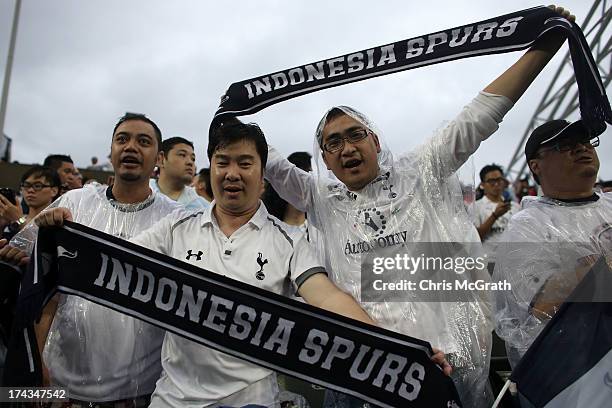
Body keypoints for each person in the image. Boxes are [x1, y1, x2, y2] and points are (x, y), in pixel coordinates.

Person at [263, 7, 575, 407]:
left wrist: (544, 48)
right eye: (333, 142)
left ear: (376, 142)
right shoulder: (319, 198)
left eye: (356, 134)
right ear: (323, 159)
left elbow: (480, 115)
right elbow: (265, 161)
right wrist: (230, 116)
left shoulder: (420, 170)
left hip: (444, 364)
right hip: (361, 369)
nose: (347, 148)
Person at [34, 121, 450, 407]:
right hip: (173, 398)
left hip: (253, 398)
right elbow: (111, 262)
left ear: (262, 176)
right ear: (210, 168)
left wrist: (401, 350)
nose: (233, 174)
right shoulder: (176, 229)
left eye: (245, 163)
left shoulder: (291, 240)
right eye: (223, 162)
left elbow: (326, 297)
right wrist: (59, 233)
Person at [2, 112, 181, 406]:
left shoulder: (177, 219)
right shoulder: (73, 204)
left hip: (141, 390)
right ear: (111, 151)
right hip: (59, 384)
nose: (131, 147)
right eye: (122, 139)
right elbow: (38, 288)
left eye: (143, 141)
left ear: (158, 157)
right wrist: (36, 367)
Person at [494, 118, 609, 369]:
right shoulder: (527, 227)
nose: (582, 148)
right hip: (583, 369)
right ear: (536, 166)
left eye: (586, 142)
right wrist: (601, 265)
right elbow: (539, 309)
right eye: (565, 146)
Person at [471, 164, 520, 271]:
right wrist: (494, 216)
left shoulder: (516, 207)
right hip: (489, 263)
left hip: (514, 263)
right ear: (483, 185)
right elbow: (475, 238)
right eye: (491, 181)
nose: (496, 184)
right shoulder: (476, 207)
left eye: (499, 180)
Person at [150, 136, 209, 210]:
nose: (190, 162)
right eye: (182, 155)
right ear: (160, 159)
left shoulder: (203, 209)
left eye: (193, 159)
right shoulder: (139, 195)